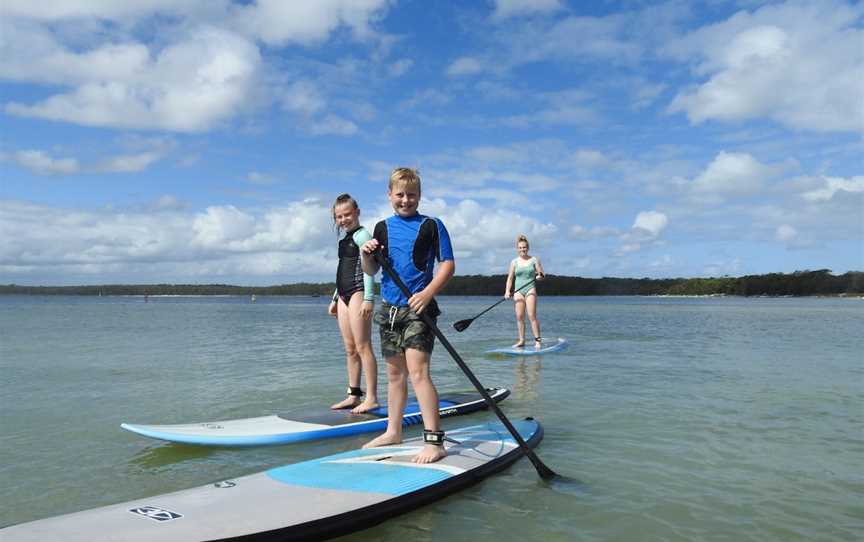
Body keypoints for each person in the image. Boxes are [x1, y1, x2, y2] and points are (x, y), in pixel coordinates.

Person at [359, 167, 454, 464]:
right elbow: (371, 271)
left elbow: (448, 265)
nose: (405, 200)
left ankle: (434, 441)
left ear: (419, 196)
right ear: (389, 195)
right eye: (399, 194)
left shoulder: (432, 225)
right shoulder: (381, 228)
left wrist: (428, 294)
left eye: (411, 195)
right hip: (389, 310)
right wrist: (366, 252)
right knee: (395, 374)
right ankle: (393, 430)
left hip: (418, 310)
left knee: (418, 373)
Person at [328, 193, 379, 414]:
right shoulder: (344, 240)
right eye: (339, 216)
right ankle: (353, 395)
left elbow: (369, 270)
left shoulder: (362, 235)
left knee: (363, 346)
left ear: (357, 212)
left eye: (347, 214)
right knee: (350, 349)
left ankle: (373, 398)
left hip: (358, 293)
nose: (343, 219)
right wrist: (334, 298)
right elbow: (342, 271)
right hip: (343, 296)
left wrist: (369, 298)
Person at [504, 234, 545, 348]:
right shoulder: (514, 262)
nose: (523, 249)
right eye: (520, 248)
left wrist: (539, 277)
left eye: (524, 247)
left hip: (530, 289)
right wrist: (507, 291)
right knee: (519, 316)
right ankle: (522, 340)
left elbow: (542, 274)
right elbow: (510, 278)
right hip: (518, 291)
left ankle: (537, 340)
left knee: (531, 315)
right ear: (517, 249)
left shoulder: (534, 260)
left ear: (528, 248)